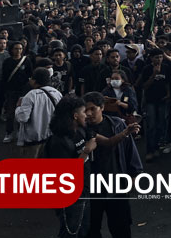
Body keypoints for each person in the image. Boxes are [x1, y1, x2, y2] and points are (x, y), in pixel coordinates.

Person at [83, 92, 142, 238]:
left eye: (92, 109)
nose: (89, 113)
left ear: (102, 108)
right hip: (91, 190)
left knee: (121, 228)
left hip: (115, 186)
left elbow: (130, 150)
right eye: (85, 110)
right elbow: (110, 142)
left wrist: (135, 173)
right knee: (91, 229)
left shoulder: (117, 124)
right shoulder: (82, 130)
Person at [43, 96, 97, 238]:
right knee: (70, 232)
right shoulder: (58, 141)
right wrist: (86, 151)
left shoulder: (78, 131)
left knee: (83, 230)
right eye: (84, 112)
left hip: (83, 192)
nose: (87, 115)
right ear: (75, 115)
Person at [15, 67, 63, 158]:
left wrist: (18, 107)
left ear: (35, 80)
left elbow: (22, 118)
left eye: (31, 78)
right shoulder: (57, 93)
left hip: (33, 142)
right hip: (51, 139)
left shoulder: (31, 95)